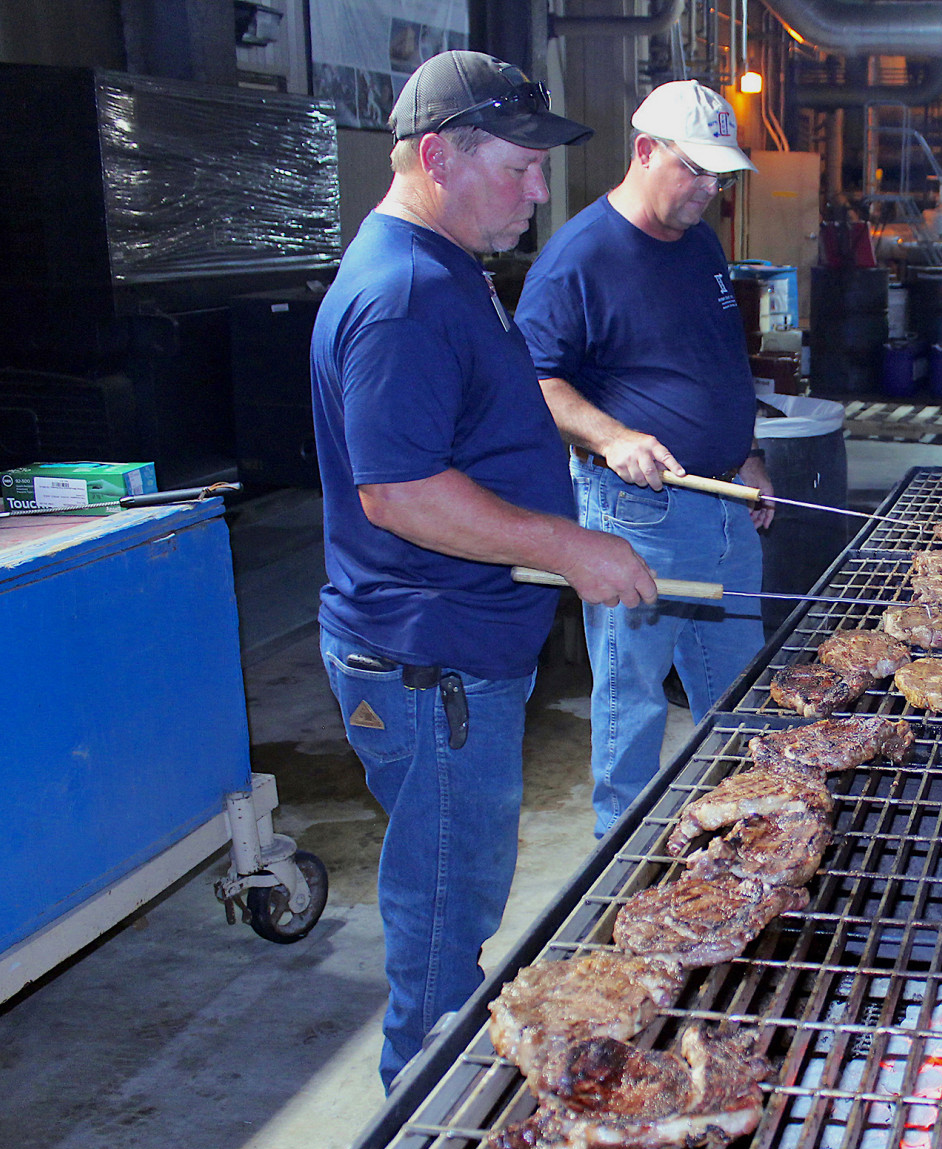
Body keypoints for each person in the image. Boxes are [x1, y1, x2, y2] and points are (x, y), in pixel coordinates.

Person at [312, 50, 658, 1088]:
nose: (538, 192)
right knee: (442, 909)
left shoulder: (448, 268)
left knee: (456, 887)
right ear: (434, 156)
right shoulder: (406, 294)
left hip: (456, 652)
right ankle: (415, 1141)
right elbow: (399, 493)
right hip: (432, 664)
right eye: (516, 168)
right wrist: (570, 545)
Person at [515, 80, 775, 837]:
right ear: (644, 151)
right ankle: (616, 853)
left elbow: (723, 358)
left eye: (720, 176)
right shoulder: (579, 258)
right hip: (643, 513)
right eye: (694, 170)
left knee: (741, 690)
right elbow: (533, 381)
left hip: (727, 503)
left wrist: (748, 453)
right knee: (632, 697)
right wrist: (610, 436)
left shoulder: (698, 240)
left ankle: (747, 840)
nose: (708, 191)